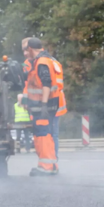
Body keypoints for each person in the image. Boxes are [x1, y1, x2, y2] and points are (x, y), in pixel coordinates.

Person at [20, 37, 67, 176]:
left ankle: (47, 166)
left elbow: (46, 83)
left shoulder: (41, 62)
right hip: (50, 103)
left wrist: (44, 105)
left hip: (45, 105)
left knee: (43, 135)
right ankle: (50, 165)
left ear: (29, 48)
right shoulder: (47, 60)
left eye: (25, 49)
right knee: (46, 134)